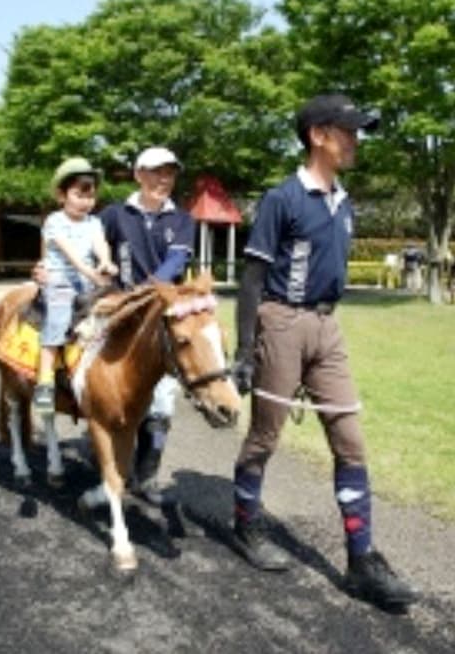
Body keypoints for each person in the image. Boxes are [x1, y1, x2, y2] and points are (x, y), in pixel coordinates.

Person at [230, 93, 418, 608]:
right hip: (282, 321)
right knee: (265, 436)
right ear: (319, 135)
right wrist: (246, 349)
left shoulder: (344, 200)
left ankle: (361, 559)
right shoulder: (282, 199)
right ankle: (246, 525)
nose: (356, 140)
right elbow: (253, 278)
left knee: (350, 439)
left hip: (328, 329)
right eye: (349, 130)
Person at [37, 146, 196, 505]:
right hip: (116, 315)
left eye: (170, 173)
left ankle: (146, 477)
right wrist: (45, 268)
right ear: (139, 174)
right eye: (156, 172)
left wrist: (143, 295)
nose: (163, 179)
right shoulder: (112, 215)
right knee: (102, 381)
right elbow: (84, 246)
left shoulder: (183, 221)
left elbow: (175, 264)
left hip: (160, 321)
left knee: (162, 404)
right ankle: (87, 432)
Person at [33, 157, 116, 415]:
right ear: (62, 195)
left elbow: (100, 243)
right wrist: (91, 272)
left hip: (87, 281)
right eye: (79, 195)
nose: (86, 202)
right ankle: (45, 381)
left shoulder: (94, 222)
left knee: (113, 312)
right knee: (58, 316)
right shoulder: (54, 221)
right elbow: (71, 255)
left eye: (90, 196)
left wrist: (105, 261)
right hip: (60, 280)